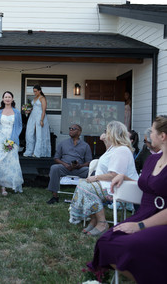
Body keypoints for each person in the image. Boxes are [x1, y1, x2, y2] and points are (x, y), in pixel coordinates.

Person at [89, 116, 167, 283]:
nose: (149, 135)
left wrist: (139, 226)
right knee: (105, 241)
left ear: (163, 136)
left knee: (131, 245)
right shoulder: (152, 159)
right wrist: (123, 177)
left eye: (152, 131)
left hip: (161, 219)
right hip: (144, 213)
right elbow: (146, 184)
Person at [69, 121, 139, 236]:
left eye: (106, 131)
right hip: (111, 184)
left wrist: (95, 177)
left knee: (86, 188)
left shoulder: (122, 150)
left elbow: (114, 175)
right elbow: (107, 160)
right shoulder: (114, 148)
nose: (104, 133)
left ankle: (102, 223)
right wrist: (104, 140)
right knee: (83, 184)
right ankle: (94, 219)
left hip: (122, 187)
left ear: (113, 133)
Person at [46, 124, 92, 204]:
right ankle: (54, 196)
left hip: (79, 169)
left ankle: (89, 197)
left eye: (73, 129)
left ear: (79, 132)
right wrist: (65, 165)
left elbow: (89, 162)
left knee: (91, 171)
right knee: (54, 168)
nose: (71, 130)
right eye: (70, 128)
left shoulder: (85, 145)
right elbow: (56, 158)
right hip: (65, 168)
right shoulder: (63, 143)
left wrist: (80, 166)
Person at [23, 85, 51, 158]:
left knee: (39, 134)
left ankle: (38, 152)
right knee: (29, 133)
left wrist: (41, 120)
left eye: (35, 91)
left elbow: (44, 110)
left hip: (40, 116)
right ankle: (29, 151)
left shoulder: (42, 98)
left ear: (39, 91)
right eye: (33, 91)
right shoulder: (35, 98)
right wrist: (28, 110)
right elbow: (33, 108)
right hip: (32, 116)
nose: (34, 92)